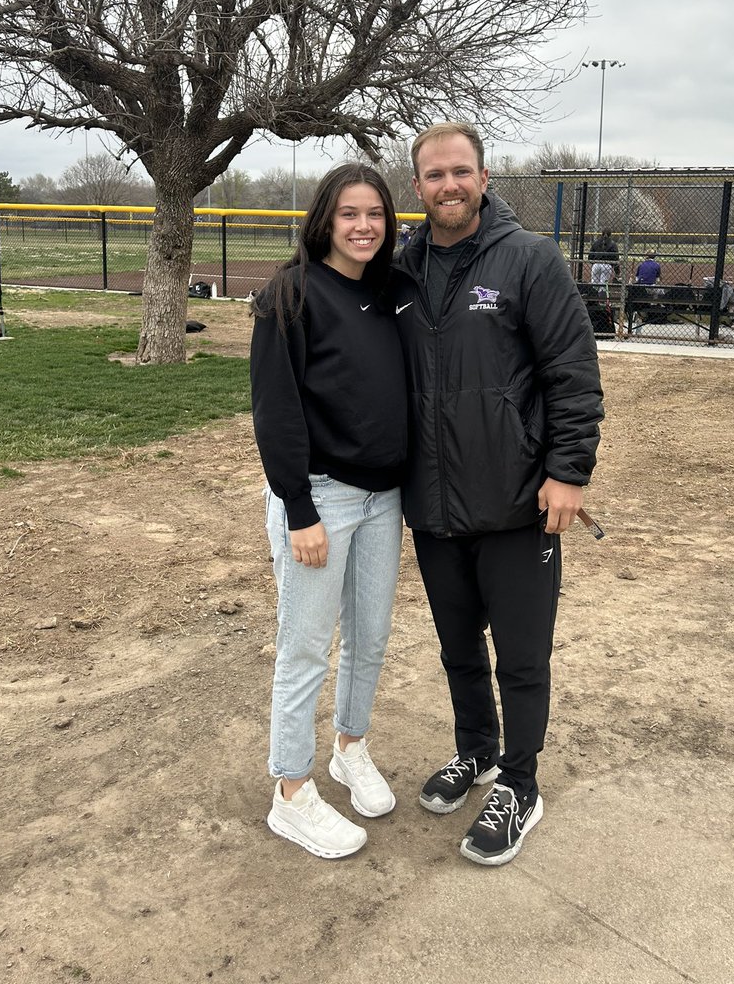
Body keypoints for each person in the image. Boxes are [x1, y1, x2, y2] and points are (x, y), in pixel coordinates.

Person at [391, 122, 604, 867]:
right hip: (434, 505)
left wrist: (569, 472)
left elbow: (572, 375)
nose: (448, 184)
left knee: (519, 657)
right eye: (433, 175)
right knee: (458, 651)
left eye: (460, 171)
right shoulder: (401, 269)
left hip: (518, 503)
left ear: (484, 177)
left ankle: (520, 783)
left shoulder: (530, 260)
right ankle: (476, 751)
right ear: (415, 187)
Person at [250, 164, 407, 859]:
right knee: (307, 647)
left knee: (370, 637)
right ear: (324, 219)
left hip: (384, 498)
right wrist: (299, 507)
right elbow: (275, 408)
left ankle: (350, 747)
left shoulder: (389, 292)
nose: (363, 225)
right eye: (349, 213)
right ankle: (290, 793)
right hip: (321, 497)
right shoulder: (291, 293)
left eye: (375, 213)